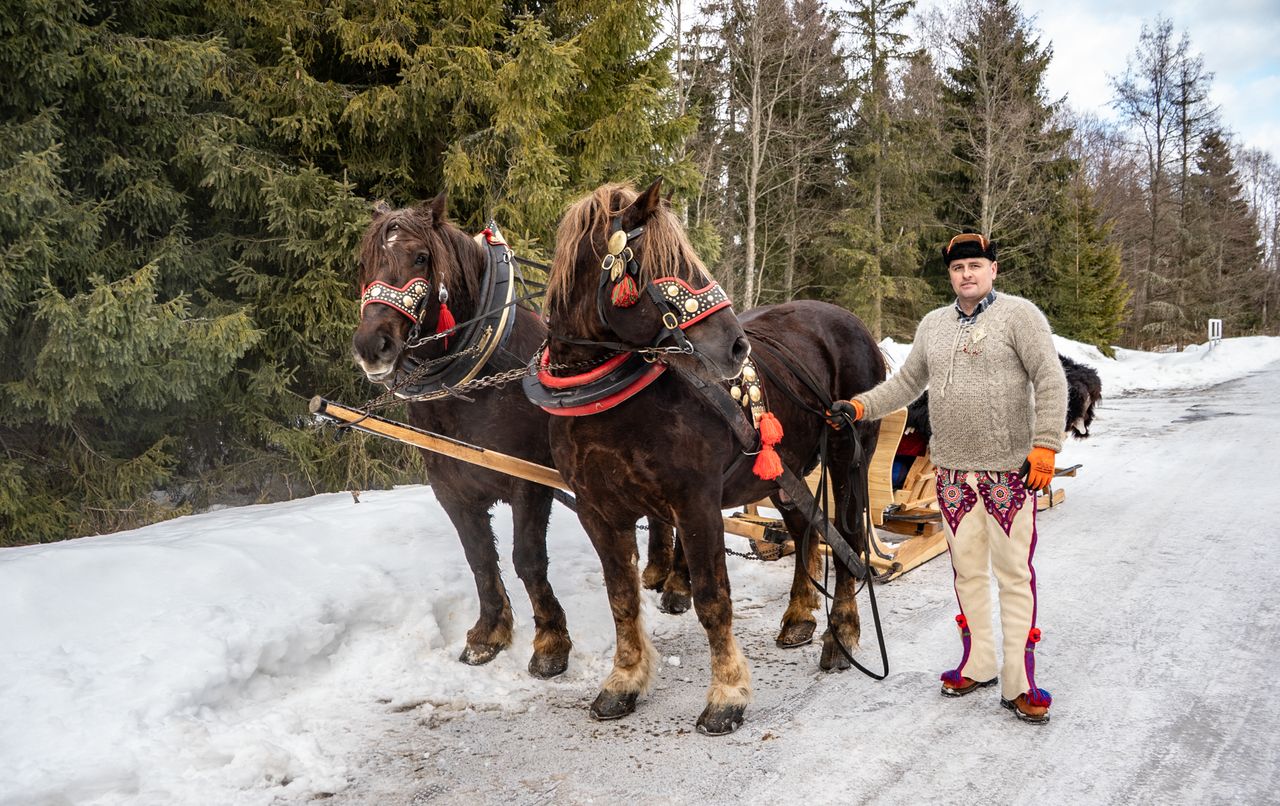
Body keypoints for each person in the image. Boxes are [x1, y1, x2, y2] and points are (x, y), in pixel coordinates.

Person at [833, 233, 1067, 724]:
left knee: (1014, 575)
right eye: (959, 268)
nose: (967, 274)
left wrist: (1046, 443)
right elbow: (905, 383)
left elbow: (1050, 379)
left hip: (1009, 472)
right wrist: (860, 406)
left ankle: (1019, 682)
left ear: (993, 270)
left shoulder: (1020, 316)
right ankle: (978, 663)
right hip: (953, 474)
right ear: (950, 275)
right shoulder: (933, 325)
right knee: (967, 572)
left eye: (975, 265)